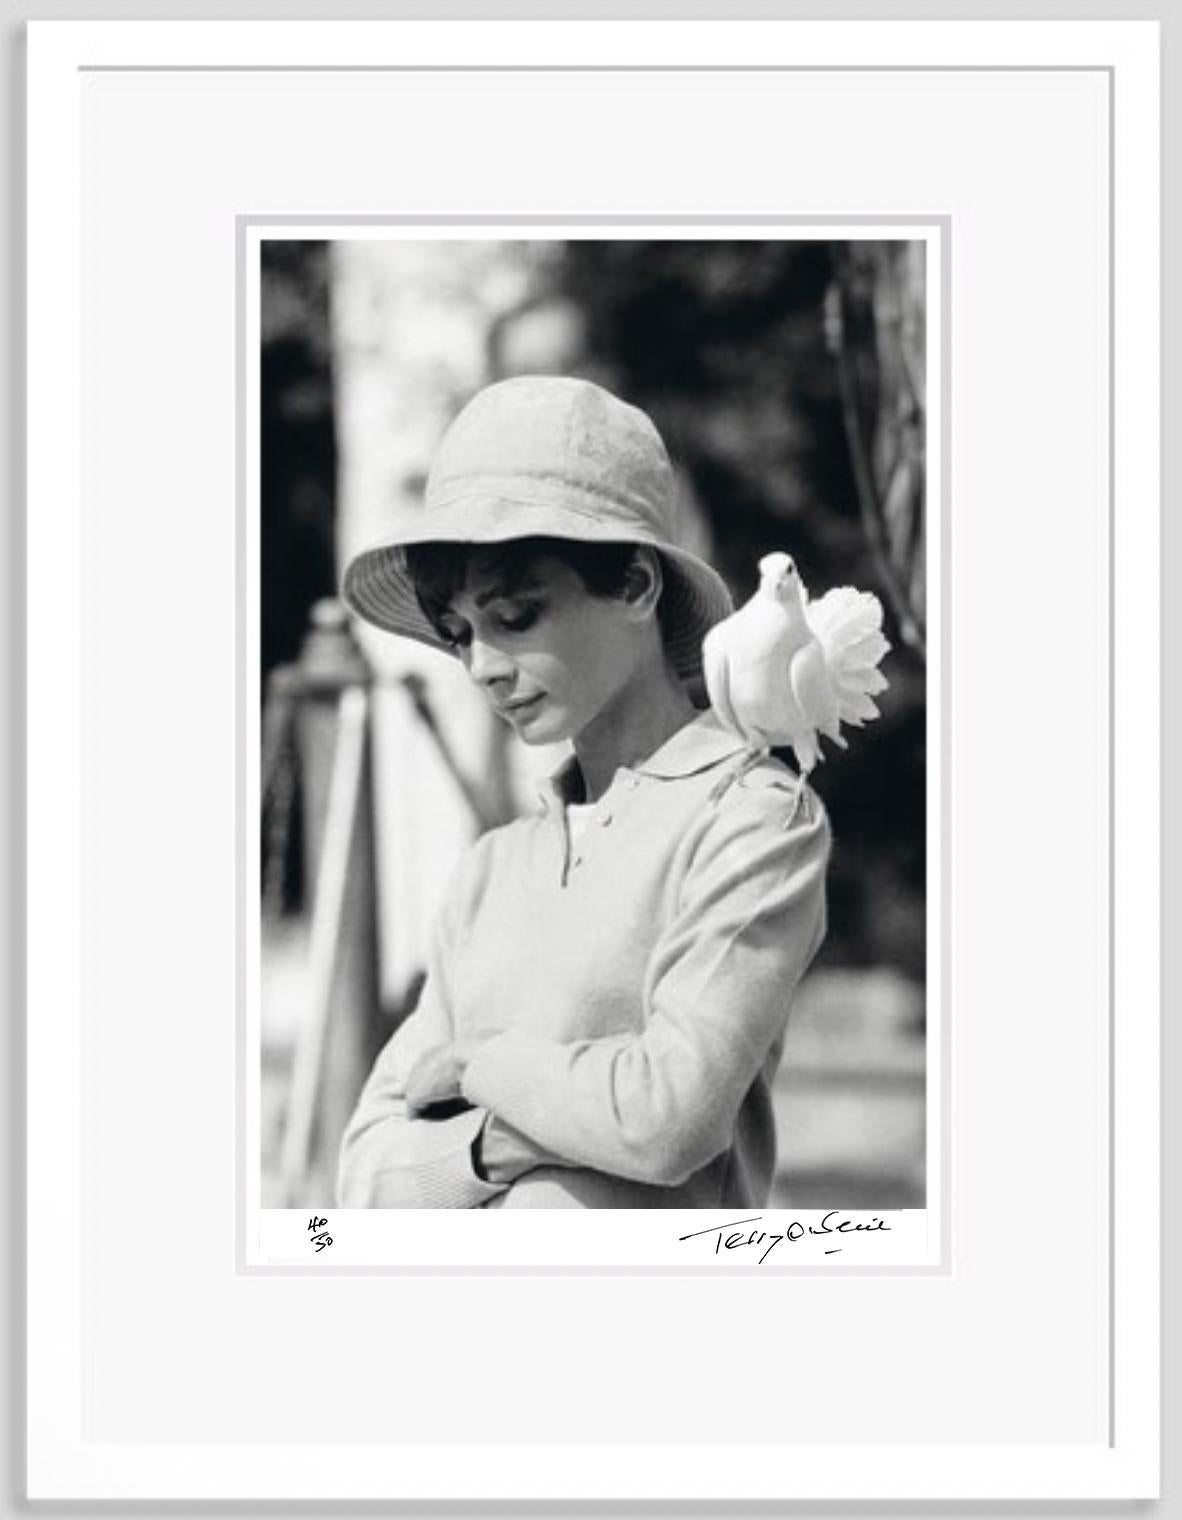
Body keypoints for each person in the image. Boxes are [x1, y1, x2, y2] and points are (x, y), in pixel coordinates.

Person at [335, 376, 830, 1209]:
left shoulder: (751, 819)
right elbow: (364, 1179)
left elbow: (669, 1118)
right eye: (458, 634)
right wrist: (503, 1139)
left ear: (635, 586)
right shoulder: (491, 869)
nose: (483, 666)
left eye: (517, 616)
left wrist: (474, 1064)